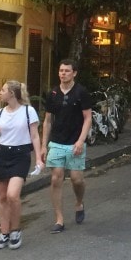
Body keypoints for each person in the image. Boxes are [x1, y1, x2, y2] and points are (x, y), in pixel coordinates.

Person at [0, 80, 44, 249]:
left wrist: (39, 158)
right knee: (2, 197)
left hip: (21, 156)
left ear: (12, 93)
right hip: (3, 155)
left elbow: (35, 136)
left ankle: (15, 230)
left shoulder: (28, 111)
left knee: (13, 195)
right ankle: (4, 233)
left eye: (3, 90)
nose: (0, 93)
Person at [41, 59, 92, 234]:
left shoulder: (81, 92)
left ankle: (79, 202)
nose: (63, 73)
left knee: (77, 179)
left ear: (74, 73)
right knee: (56, 178)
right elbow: (47, 121)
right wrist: (43, 145)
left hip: (75, 142)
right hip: (56, 141)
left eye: (67, 71)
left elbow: (87, 118)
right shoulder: (53, 93)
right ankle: (59, 219)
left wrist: (80, 140)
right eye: (61, 70)